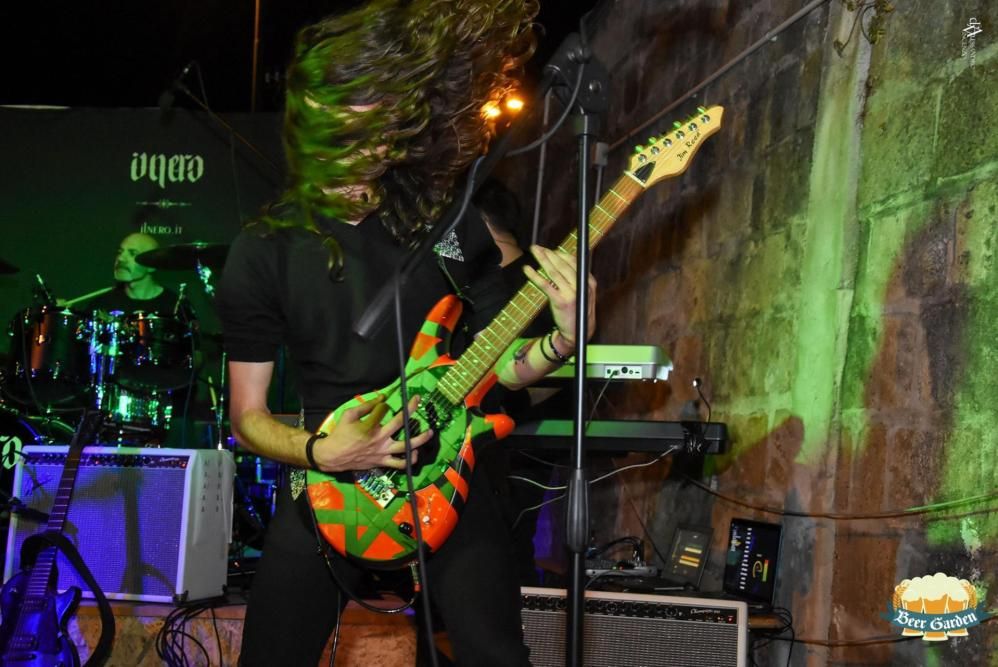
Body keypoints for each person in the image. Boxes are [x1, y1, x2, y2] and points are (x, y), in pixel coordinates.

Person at [216, 1, 595, 665]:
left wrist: (563, 338)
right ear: (315, 128)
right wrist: (323, 451)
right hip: (333, 485)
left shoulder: (447, 222)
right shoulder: (262, 251)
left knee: (497, 655)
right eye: (353, 127)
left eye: (382, 123)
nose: (374, 145)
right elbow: (247, 418)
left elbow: (501, 368)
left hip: (450, 473)